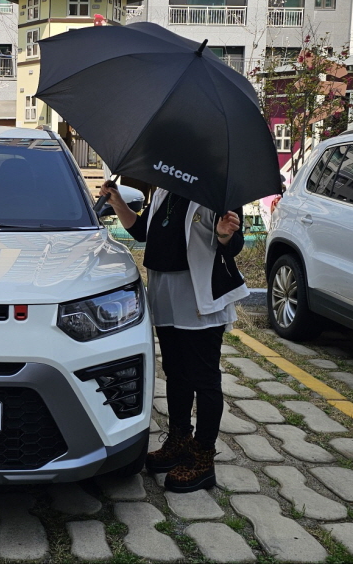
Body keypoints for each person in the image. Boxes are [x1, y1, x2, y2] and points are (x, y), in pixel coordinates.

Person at [100, 181, 248, 493]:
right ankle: (180, 440)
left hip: (198, 299)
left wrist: (224, 235)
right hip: (165, 296)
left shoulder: (218, 188)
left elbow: (233, 245)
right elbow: (143, 232)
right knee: (176, 373)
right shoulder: (165, 188)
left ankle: (203, 457)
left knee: (204, 378)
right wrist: (117, 202)